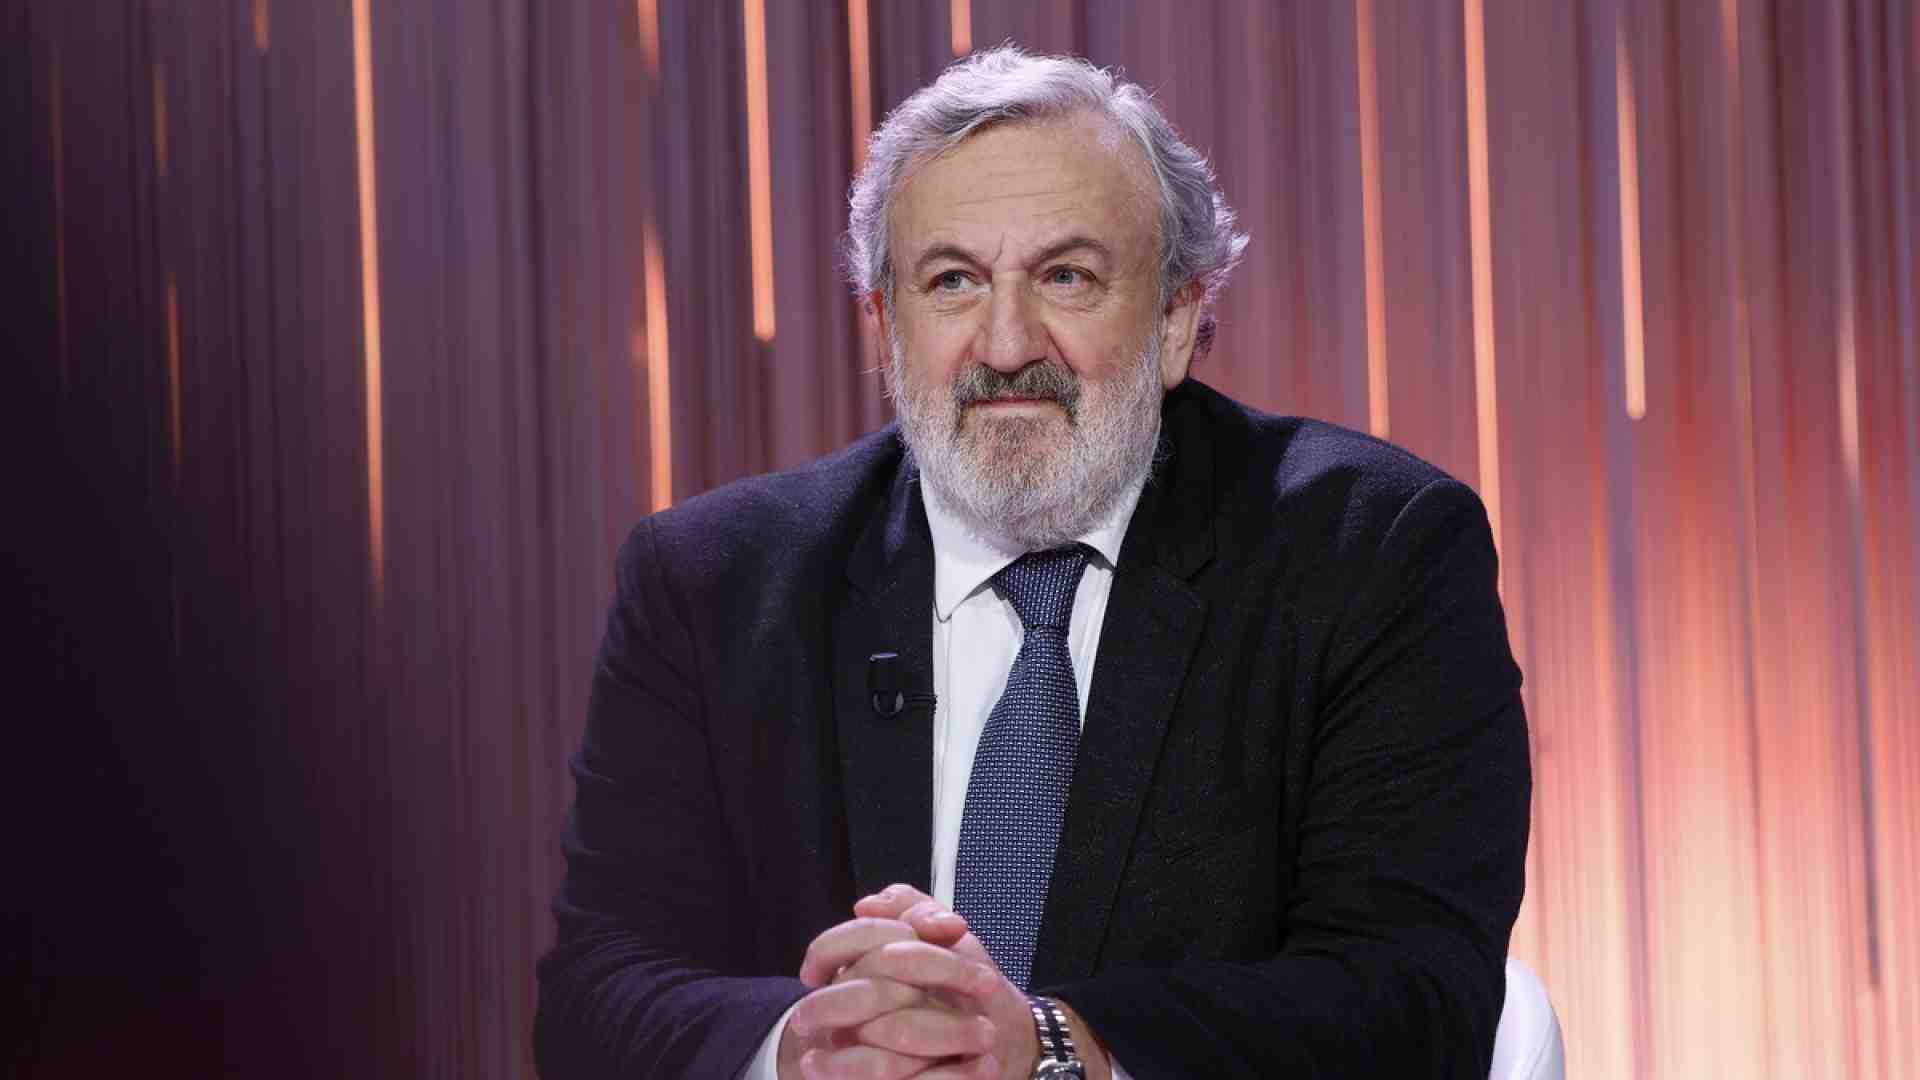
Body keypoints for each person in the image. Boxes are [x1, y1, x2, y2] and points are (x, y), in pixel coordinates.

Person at [534, 46, 1529, 1079]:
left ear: (1177, 318)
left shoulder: (1372, 552)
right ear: (885, 325)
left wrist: (1051, 1047)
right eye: (952, 281)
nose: (1006, 344)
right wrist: (813, 1046)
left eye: (1066, 276)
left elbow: (1413, 993)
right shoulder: (714, 583)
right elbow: (597, 994)